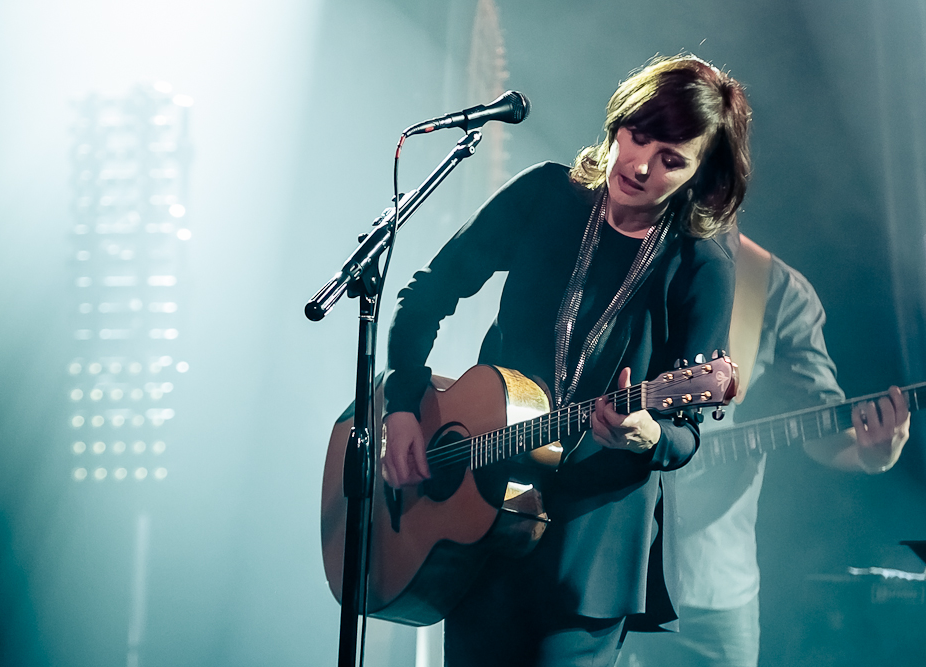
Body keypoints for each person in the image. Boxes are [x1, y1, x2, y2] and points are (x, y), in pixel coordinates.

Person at [380, 55, 752, 667]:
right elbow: (428, 293)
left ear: (698, 176)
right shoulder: (545, 194)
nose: (640, 165)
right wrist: (400, 407)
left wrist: (648, 435)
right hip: (478, 520)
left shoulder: (700, 264)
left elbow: (686, 434)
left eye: (671, 160)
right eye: (638, 134)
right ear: (618, 121)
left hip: (588, 555)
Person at [617, 232, 911, 667]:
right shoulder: (618, 245)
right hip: (601, 557)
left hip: (711, 583)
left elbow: (816, 418)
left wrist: (873, 454)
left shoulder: (773, 286)